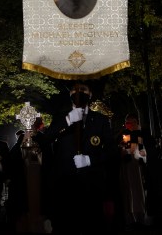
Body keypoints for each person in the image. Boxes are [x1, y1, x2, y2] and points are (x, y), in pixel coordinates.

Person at [43, 83, 114, 234]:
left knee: (92, 225)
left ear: (90, 94)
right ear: (70, 94)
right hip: (65, 185)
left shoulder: (101, 120)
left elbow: (111, 150)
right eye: (75, 89)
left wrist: (90, 160)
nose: (79, 92)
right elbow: (45, 139)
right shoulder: (60, 117)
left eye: (83, 89)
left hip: (92, 184)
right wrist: (68, 120)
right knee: (66, 226)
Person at [118, 114, 148, 230]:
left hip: (137, 166)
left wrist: (140, 152)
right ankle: (130, 217)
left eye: (132, 122)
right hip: (126, 166)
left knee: (137, 190)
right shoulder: (124, 134)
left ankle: (139, 216)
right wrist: (123, 151)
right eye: (127, 122)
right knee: (128, 190)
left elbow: (142, 148)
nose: (129, 124)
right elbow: (122, 148)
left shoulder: (141, 133)